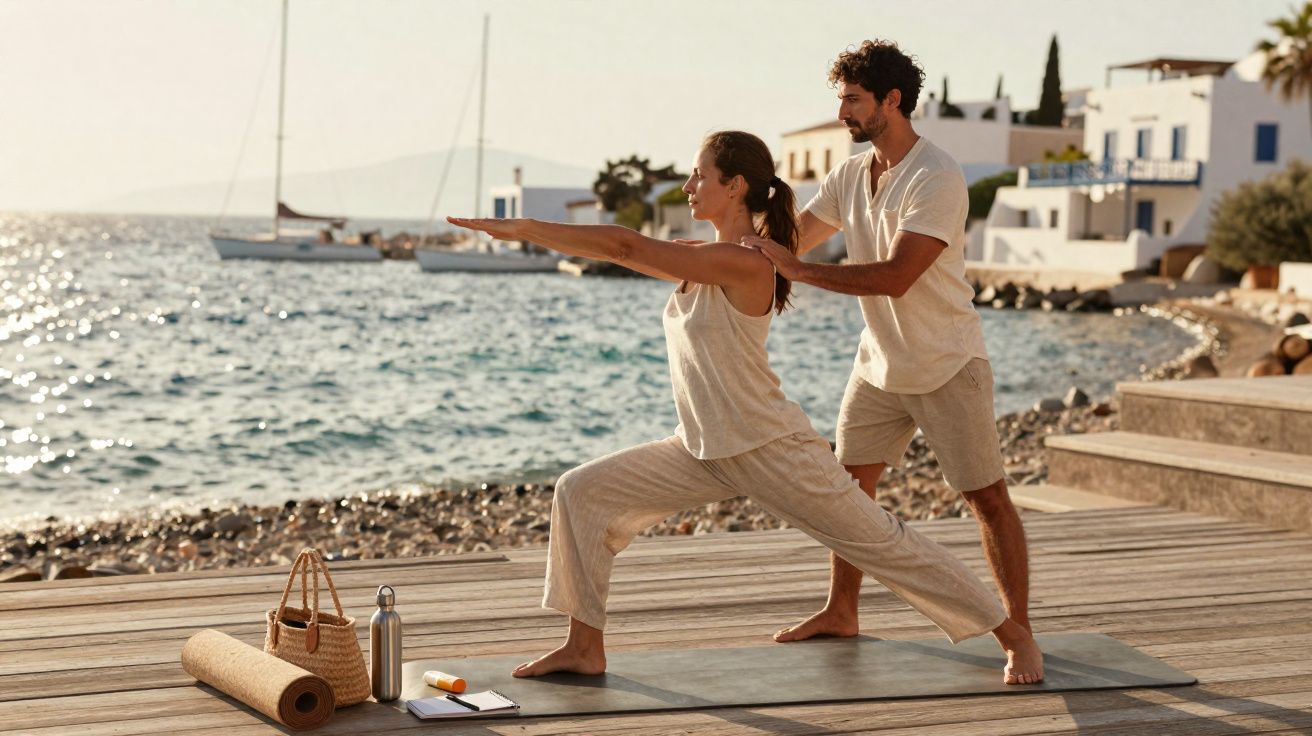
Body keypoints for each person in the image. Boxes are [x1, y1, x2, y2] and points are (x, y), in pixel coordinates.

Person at [448, 130, 1044, 685]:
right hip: (703, 446)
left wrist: (524, 228)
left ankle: (1014, 634)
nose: (687, 188)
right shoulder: (704, 255)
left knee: (884, 544)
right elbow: (629, 252)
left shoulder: (746, 262)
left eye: (698, 176)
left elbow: (624, 244)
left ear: (734, 186)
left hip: (767, 446)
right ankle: (584, 644)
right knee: (580, 491)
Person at [742, 40, 1037, 669]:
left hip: (947, 364)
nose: (843, 111)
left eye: (853, 99)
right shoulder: (851, 174)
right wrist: (715, 249)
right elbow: (793, 237)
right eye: (842, 99)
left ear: (892, 101)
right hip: (878, 366)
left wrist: (800, 271)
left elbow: (897, 275)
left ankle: (1021, 632)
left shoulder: (937, 176)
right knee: (847, 492)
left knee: (986, 498)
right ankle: (842, 610)